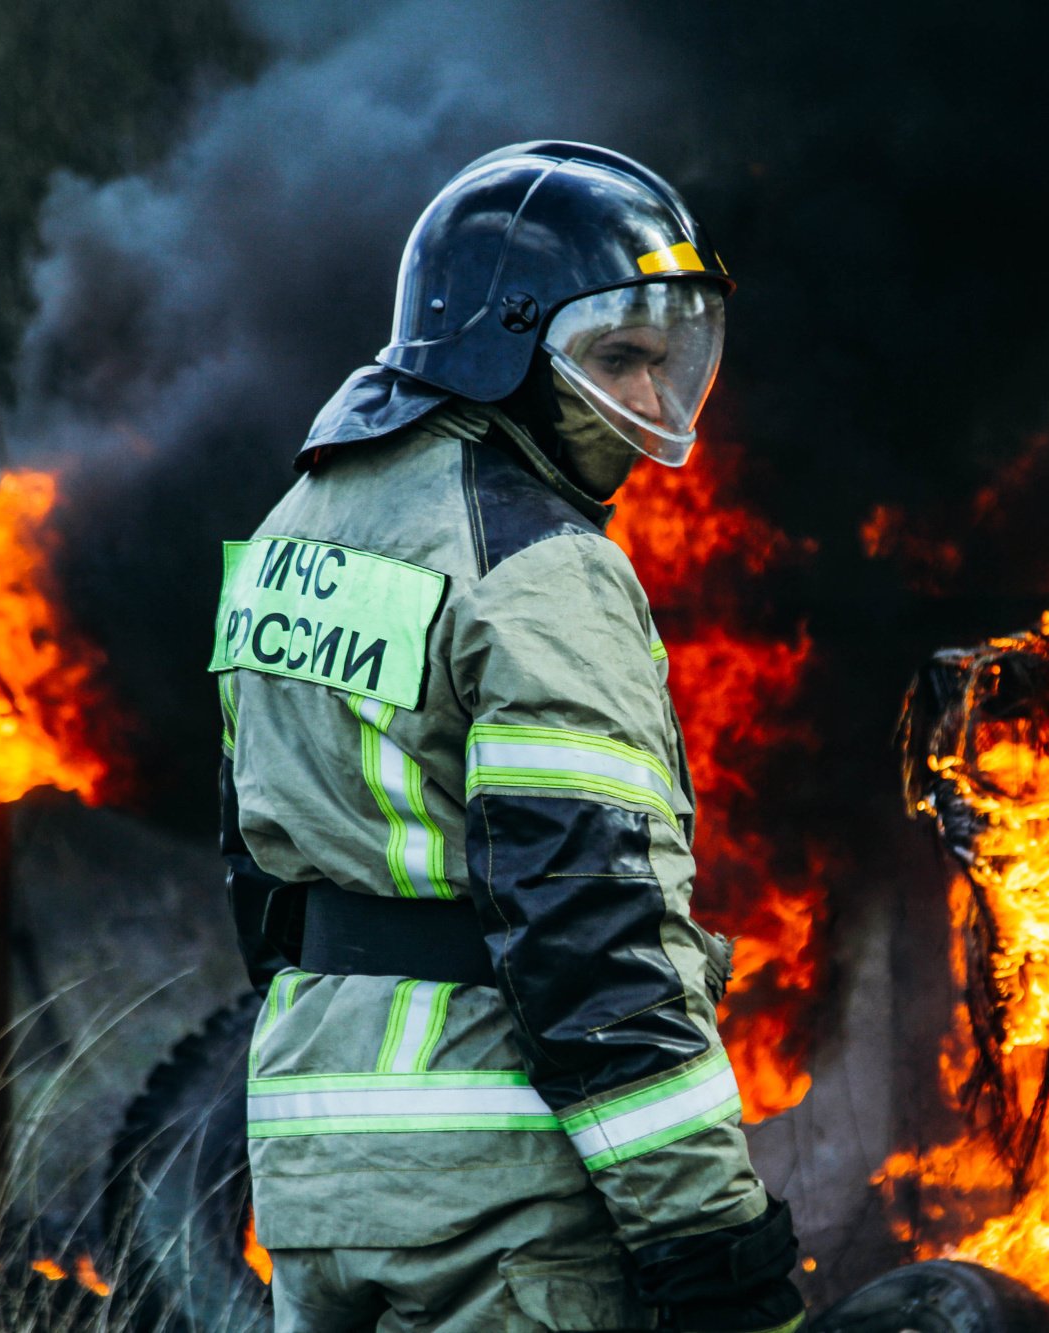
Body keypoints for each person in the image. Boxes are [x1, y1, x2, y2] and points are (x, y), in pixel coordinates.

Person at [212, 142, 806, 1333]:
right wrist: (711, 1249)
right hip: (496, 1197)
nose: (651, 403)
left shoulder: (292, 530)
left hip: (313, 1168)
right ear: (501, 346)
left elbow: (257, 878)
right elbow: (591, 931)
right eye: (616, 358)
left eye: (668, 361)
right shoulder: (537, 566)